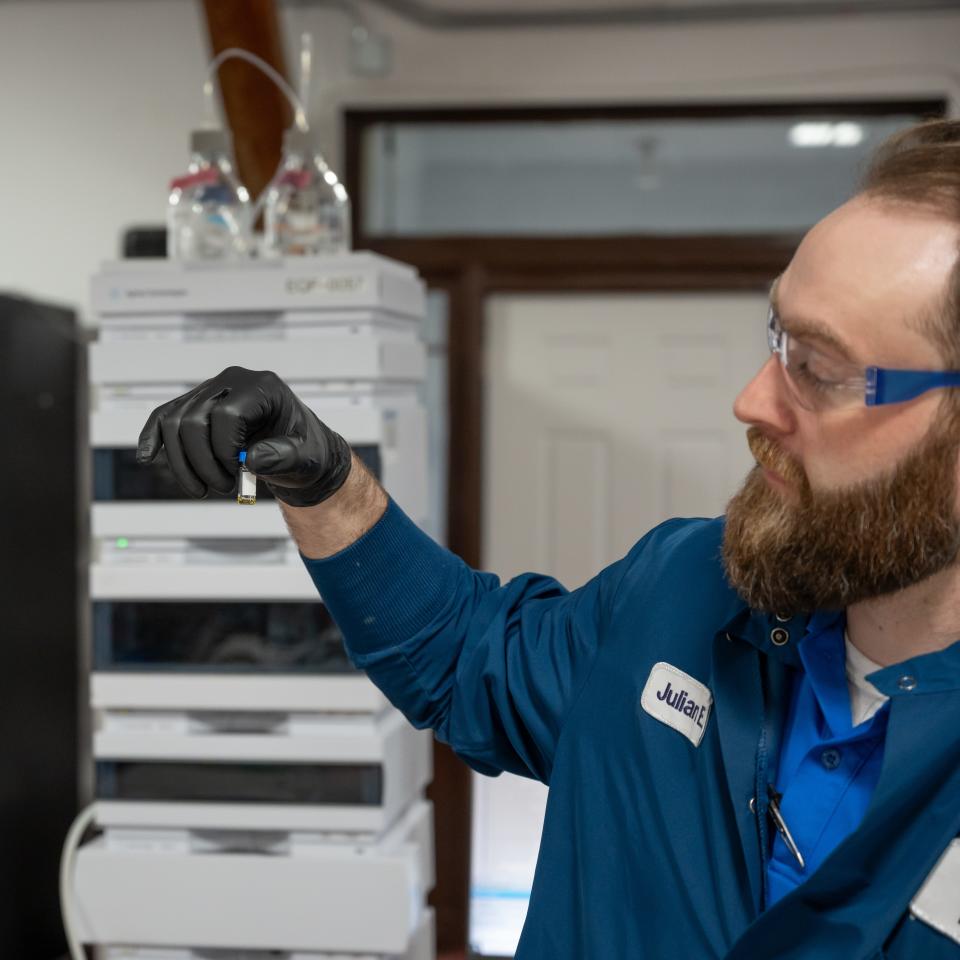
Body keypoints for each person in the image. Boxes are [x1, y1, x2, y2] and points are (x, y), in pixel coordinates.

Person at [137, 120, 960, 959]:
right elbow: (468, 658)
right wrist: (322, 479)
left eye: (817, 369)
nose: (753, 399)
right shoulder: (686, 590)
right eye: (776, 339)